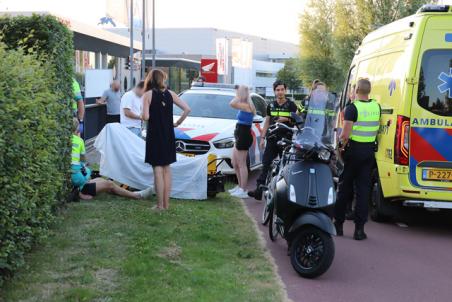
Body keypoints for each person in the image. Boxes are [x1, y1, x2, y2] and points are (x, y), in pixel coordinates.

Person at [334, 79, 381, 240]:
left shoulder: (352, 108)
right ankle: (359, 230)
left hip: (353, 152)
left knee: (344, 188)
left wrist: (339, 147)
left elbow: (345, 134)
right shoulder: (376, 107)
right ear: (369, 91)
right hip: (368, 152)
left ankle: (338, 225)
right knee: (363, 191)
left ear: (356, 91)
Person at [142, 69, 191, 210]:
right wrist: (177, 123)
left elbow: (145, 117)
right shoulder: (171, 94)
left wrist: (142, 113)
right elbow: (187, 109)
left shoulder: (147, 95)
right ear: (162, 79)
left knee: (157, 169)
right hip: (168, 134)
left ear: (150, 80)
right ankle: (166, 205)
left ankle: (159, 206)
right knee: (167, 169)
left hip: (155, 135)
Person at [71, 118, 152, 200]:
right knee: (110, 184)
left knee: (101, 180)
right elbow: (83, 160)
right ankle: (137, 196)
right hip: (80, 185)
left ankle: (128, 193)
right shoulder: (79, 141)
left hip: (79, 182)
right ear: (78, 129)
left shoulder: (68, 141)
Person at [248, 80, 297, 200]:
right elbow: (267, 123)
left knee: (285, 167)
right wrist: (262, 138)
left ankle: (283, 193)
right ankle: (259, 191)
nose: (280, 92)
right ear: (274, 91)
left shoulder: (291, 105)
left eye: (282, 89)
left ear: (285, 90)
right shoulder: (271, 105)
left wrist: (285, 119)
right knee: (265, 164)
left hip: (286, 140)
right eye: (277, 90)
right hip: (272, 139)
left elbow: (296, 120)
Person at [228, 85, 256, 198]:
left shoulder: (246, 105)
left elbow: (231, 103)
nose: (236, 93)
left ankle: (243, 190)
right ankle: (240, 186)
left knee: (241, 163)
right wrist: (240, 94)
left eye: (238, 92)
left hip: (244, 134)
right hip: (239, 133)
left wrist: (239, 95)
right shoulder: (243, 104)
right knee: (234, 162)